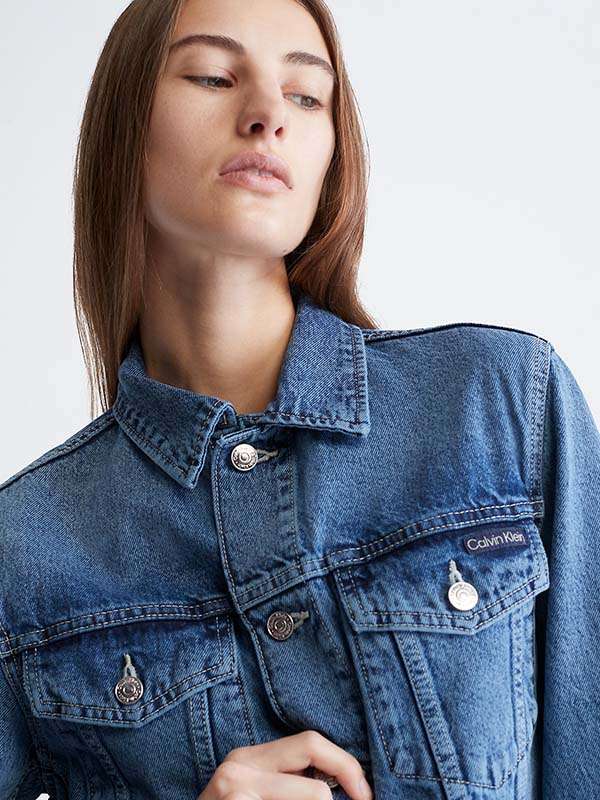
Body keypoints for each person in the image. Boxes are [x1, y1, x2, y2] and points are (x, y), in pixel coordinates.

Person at [1, 0, 599, 799]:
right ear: (124, 130)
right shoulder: (24, 549)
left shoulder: (502, 403)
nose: (267, 115)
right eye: (213, 77)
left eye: (306, 95)